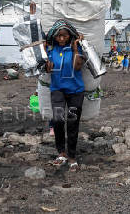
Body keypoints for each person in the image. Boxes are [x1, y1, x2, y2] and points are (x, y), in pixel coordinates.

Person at [45, 20, 84, 172]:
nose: (61, 39)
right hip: (57, 89)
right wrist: (47, 62)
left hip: (75, 90)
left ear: (69, 36)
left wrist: (75, 49)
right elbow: (48, 70)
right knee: (58, 120)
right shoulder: (51, 50)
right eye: (59, 36)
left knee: (73, 123)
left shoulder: (77, 48)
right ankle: (61, 153)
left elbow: (77, 66)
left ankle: (72, 157)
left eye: (64, 36)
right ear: (55, 37)